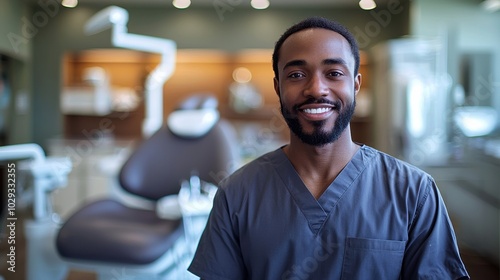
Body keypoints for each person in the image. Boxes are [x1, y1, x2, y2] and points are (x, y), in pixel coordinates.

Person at [188, 16, 470, 280]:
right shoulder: (237, 194)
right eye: (297, 75)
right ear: (278, 87)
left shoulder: (414, 192)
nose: (316, 89)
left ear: (355, 84)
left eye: (334, 73)